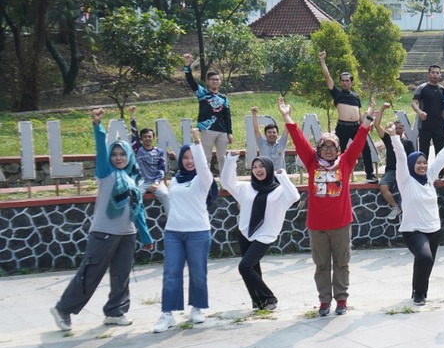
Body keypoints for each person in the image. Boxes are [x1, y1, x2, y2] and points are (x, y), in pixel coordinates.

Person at [51, 108, 154, 331]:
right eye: (114, 154)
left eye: (122, 154)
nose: (118, 158)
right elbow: (100, 150)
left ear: (128, 156)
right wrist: (97, 126)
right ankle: (63, 309)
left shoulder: (132, 178)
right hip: (104, 232)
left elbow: (138, 211)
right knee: (91, 274)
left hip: (127, 234)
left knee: (122, 276)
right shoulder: (105, 174)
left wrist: (145, 235)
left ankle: (115, 312)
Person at [279, 96, 375, 316]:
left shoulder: (346, 163)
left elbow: (360, 139)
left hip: (341, 224)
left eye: (333, 147)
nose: (329, 150)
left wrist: (368, 117)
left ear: (338, 149)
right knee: (322, 265)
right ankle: (324, 301)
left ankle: (341, 300)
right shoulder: (312, 162)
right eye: (325, 147)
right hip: (317, 226)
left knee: (342, 264)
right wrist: (286, 115)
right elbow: (299, 139)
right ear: (319, 149)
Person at [150, 131, 217, 332]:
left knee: (198, 273)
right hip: (173, 232)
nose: (189, 161)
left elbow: (204, 167)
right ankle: (167, 314)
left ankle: (197, 309)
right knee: (171, 273)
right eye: (185, 157)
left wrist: (197, 144)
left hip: (198, 231)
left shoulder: (202, 179)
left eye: (193, 157)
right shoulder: (176, 180)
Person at [219, 151, 300, 313]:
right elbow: (227, 182)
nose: (258, 170)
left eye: (262, 166)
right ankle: (258, 302)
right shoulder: (246, 188)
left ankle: (269, 298)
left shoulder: (279, 192)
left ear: (268, 168)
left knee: (244, 267)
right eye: (255, 167)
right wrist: (230, 160)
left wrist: (282, 176)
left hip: (265, 235)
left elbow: (294, 196)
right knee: (253, 269)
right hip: (245, 233)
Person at [388, 123, 444, 305]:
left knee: (425, 262)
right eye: (418, 163)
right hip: (413, 230)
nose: (423, 165)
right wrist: (394, 136)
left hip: (434, 229)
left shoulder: (429, 178)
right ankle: (419, 293)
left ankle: (419, 292)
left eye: (424, 162)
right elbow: (401, 158)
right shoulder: (405, 181)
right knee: (424, 258)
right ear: (412, 165)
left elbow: (441, 158)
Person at [320, 51, 376, 183]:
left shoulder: (356, 96)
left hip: (356, 127)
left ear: (351, 82)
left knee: (366, 149)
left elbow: (359, 112)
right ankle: (336, 176)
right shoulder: (337, 94)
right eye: (343, 81)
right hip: (342, 127)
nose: (345, 83)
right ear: (340, 82)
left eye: (347, 81)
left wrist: (364, 127)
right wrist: (322, 60)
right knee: (338, 152)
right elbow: (327, 77)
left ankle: (370, 175)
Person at [183, 53, 232, 173]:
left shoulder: (223, 98)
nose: (215, 81)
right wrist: (187, 66)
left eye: (217, 79)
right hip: (207, 130)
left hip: (222, 131)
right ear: (208, 81)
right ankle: (206, 182)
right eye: (213, 79)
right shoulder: (202, 93)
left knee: (222, 158)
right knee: (206, 158)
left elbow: (227, 116)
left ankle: (224, 183)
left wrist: (229, 133)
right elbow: (190, 81)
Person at [372, 103, 413, 220]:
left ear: (404, 129)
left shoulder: (408, 143)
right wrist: (382, 109)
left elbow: (412, 159)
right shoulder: (388, 140)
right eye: (397, 128)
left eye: (401, 128)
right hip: (391, 171)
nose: (399, 130)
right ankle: (395, 207)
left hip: (405, 172)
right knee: (383, 186)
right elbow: (376, 125)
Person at [412, 64, 444, 157]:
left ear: (440, 75)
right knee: (423, 152)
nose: (435, 75)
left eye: (437, 73)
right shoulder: (422, 88)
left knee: (440, 152)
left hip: (439, 126)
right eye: (433, 72)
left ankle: (441, 171)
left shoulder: (442, 89)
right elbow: (414, 103)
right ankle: (423, 171)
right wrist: (420, 112)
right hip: (424, 125)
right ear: (429, 74)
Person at [128, 105, 165, 185]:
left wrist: (157, 182)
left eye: (149, 136)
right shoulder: (138, 149)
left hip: (156, 183)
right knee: (135, 196)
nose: (147, 138)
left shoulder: (159, 152)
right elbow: (134, 133)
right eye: (144, 137)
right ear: (141, 139)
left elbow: (161, 168)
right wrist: (132, 116)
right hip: (141, 183)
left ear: (153, 138)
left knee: (165, 195)